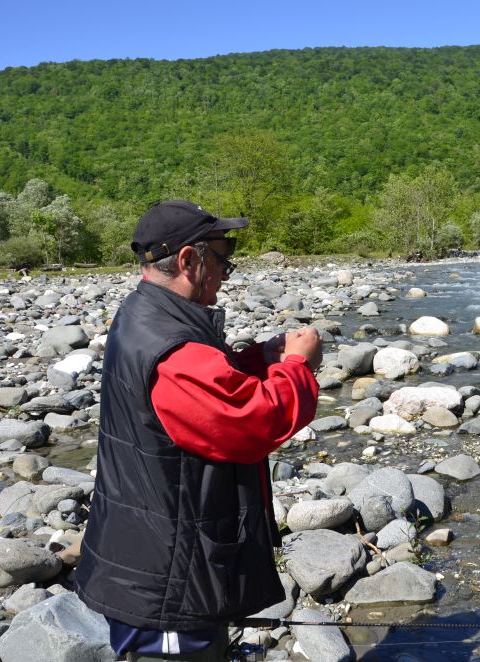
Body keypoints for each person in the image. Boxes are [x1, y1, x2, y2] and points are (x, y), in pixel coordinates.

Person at [76, 200, 322, 661]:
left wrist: (256, 359)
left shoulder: (147, 313)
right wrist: (297, 366)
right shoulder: (173, 349)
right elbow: (251, 422)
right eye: (223, 256)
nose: (227, 271)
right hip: (167, 579)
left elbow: (208, 391)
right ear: (189, 260)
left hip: (151, 554)